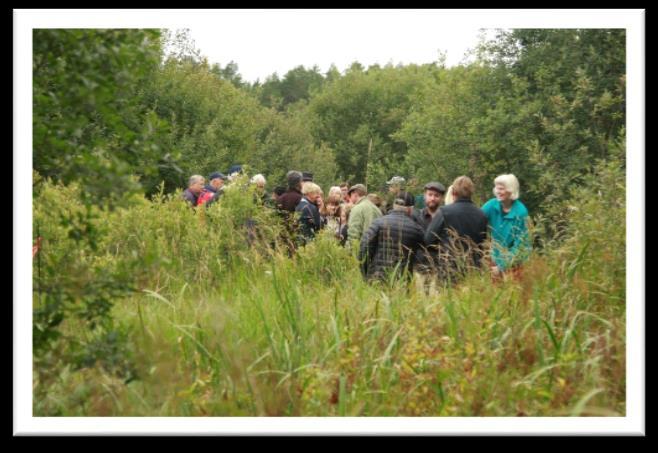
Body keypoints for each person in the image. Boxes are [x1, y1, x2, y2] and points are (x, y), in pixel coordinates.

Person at [424, 176, 488, 283]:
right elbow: (483, 244)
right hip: (474, 270)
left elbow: (428, 239)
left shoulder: (444, 212)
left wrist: (441, 247)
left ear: (453, 192)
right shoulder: (481, 214)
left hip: (449, 269)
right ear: (471, 192)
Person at [359, 197, 425, 282]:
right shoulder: (416, 229)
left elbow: (364, 246)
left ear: (394, 207)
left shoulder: (378, 222)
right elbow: (425, 253)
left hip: (376, 277)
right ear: (410, 209)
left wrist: (365, 271)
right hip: (402, 280)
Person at [481, 174, 531, 281]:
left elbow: (522, 245)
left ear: (510, 190)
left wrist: (502, 267)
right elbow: (476, 219)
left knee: (513, 294)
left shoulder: (521, 212)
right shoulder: (491, 205)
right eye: (497, 188)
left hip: (514, 263)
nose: (498, 191)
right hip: (495, 259)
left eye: (501, 189)